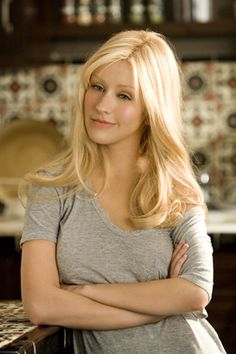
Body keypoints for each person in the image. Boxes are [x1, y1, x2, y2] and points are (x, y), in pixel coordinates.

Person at [20, 30, 226, 354]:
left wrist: (84, 290)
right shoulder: (52, 187)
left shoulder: (174, 187)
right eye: (98, 87)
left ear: (151, 109)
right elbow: (41, 304)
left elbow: (196, 290)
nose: (102, 105)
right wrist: (161, 301)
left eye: (125, 96)